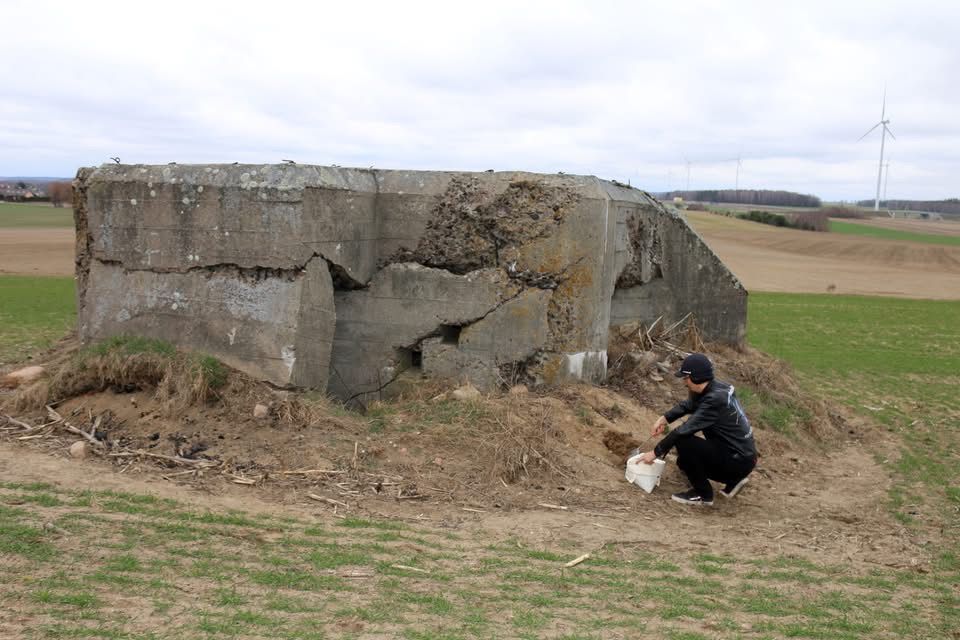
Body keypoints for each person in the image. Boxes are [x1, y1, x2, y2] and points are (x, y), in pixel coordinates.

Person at [635, 353, 757, 506]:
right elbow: (689, 404)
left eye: (685, 378)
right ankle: (735, 480)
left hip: (737, 461)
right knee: (683, 461)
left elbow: (682, 431)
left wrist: (654, 453)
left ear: (696, 378)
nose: (684, 382)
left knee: (684, 442)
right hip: (744, 456)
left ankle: (703, 494)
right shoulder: (719, 389)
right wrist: (665, 418)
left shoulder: (713, 401)